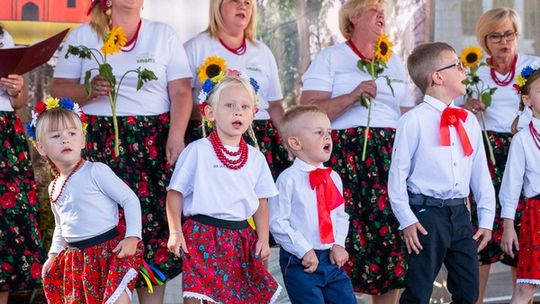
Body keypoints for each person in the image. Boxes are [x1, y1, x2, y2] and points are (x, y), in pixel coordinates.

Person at [50, 0, 192, 301]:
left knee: (152, 226)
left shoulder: (162, 34)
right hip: (100, 140)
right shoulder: (83, 36)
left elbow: (180, 92)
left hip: (152, 142)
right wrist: (89, 92)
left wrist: (176, 137)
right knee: (102, 222)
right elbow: (58, 87)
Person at [299, 0, 413, 302]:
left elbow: (407, 114)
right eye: (373, 8)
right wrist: (352, 96)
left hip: (388, 155)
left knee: (388, 236)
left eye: (383, 10)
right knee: (340, 233)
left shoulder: (394, 60)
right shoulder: (331, 57)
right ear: (353, 17)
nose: (381, 14)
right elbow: (308, 110)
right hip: (345, 156)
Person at [388, 42, 496, 303]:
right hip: (426, 216)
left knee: (469, 291)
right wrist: (407, 219)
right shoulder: (412, 121)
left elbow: (480, 174)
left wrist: (486, 219)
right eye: (457, 64)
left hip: (460, 214)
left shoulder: (467, 120)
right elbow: (397, 177)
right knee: (419, 290)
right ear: (437, 77)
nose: (463, 69)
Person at [166, 72, 281, 303]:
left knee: (240, 297)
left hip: (240, 239)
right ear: (210, 112)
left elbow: (261, 202)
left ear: (253, 114)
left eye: (245, 106)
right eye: (229, 105)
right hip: (202, 235)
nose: (238, 111)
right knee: (198, 297)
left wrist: (262, 237)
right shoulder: (197, 151)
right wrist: (175, 231)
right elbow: (174, 193)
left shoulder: (256, 158)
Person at [458, 8, 538, 301]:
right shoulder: (472, 73)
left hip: (526, 154)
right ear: (484, 39)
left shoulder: (533, 67)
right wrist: (466, 107)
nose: (504, 42)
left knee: (524, 233)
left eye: (509, 34)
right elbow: (450, 113)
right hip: (486, 157)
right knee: (484, 230)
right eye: (496, 35)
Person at [30, 98, 143, 303]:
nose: (65, 140)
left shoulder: (95, 171)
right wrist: (54, 253)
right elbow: (60, 226)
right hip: (77, 260)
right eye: (56, 136)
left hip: (110, 252)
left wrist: (133, 236)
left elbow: (129, 199)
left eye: (72, 134)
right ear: (41, 148)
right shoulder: (53, 186)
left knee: (117, 300)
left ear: (82, 140)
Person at [183, 0, 289, 178]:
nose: (243, 6)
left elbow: (275, 105)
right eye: (235, 1)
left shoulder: (262, 51)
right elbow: (183, 98)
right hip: (213, 136)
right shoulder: (196, 47)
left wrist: (287, 136)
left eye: (248, 3)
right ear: (218, 6)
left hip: (260, 136)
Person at [269, 105, 356, 304]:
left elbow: (340, 215)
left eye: (329, 132)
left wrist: (339, 243)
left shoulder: (333, 177)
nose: (327, 137)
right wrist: (304, 249)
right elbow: (278, 222)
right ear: (295, 143)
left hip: (332, 258)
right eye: (319, 132)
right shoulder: (288, 179)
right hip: (302, 260)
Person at [0, 25, 46, 304]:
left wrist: (16, 89)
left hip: (4, 134)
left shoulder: (4, 37)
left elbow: (19, 100)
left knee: (6, 227)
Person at [500, 66, 540, 303]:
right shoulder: (522, 139)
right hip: (536, 214)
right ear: (527, 100)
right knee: (526, 286)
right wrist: (508, 226)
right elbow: (511, 186)